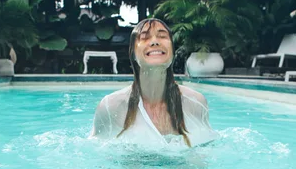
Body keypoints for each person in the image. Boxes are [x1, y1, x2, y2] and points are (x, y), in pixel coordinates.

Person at [89, 18, 219, 148]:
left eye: (162, 36)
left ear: (172, 51)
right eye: (145, 37)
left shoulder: (195, 103)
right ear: (133, 53)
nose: (155, 42)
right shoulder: (111, 107)